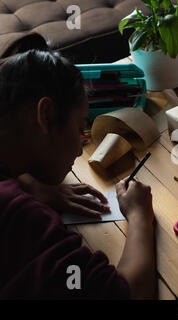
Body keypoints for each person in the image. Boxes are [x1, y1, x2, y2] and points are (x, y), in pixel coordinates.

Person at [0, 49, 157, 299]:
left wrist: (30, 185)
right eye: (80, 127)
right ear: (46, 116)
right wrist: (140, 216)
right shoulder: (21, 215)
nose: (79, 150)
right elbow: (129, 294)